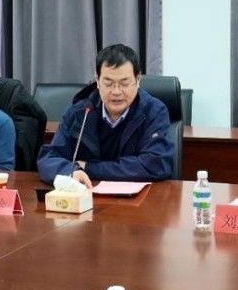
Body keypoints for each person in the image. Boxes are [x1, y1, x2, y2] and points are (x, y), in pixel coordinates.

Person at [37, 44, 174, 187]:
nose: (116, 91)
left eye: (124, 83)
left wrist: (89, 168)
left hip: (141, 197)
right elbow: (49, 158)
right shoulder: (80, 112)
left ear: (138, 80)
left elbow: (155, 164)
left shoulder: (154, 112)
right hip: (88, 194)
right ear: (97, 80)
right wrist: (71, 171)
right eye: (108, 83)